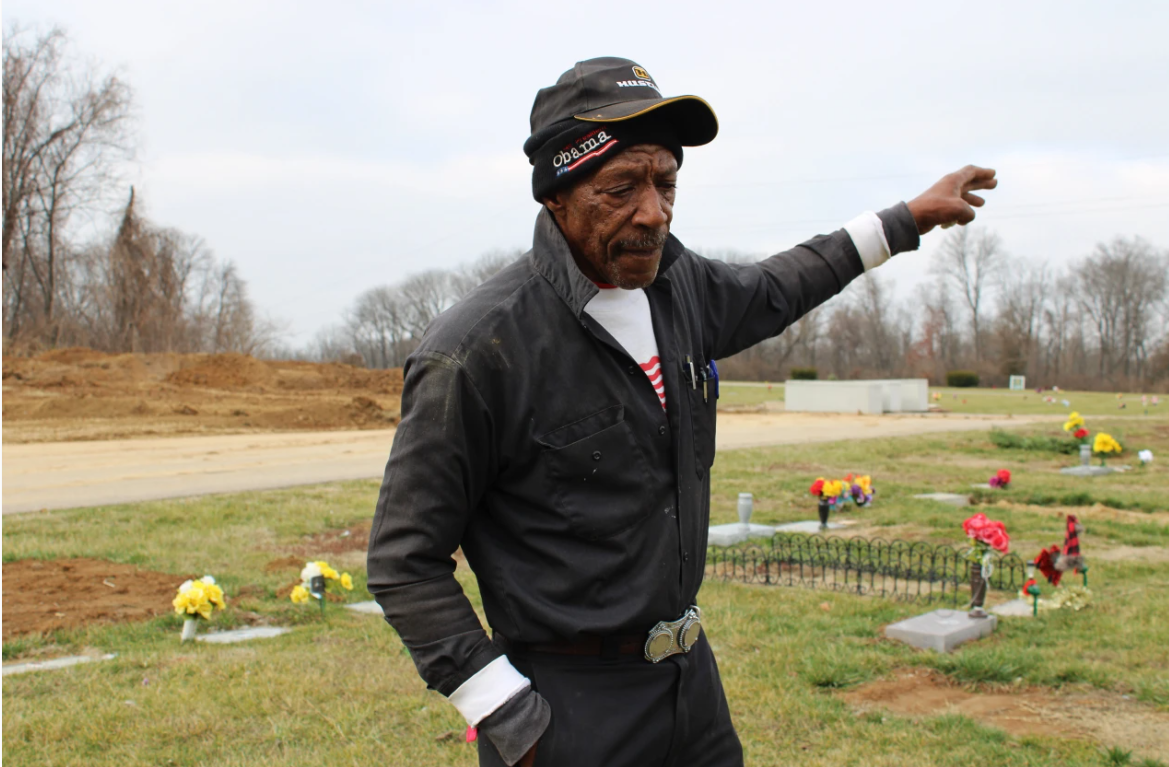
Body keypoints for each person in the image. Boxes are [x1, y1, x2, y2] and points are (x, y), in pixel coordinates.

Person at [367, 56, 996, 767]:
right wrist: (508, 715)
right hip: (568, 710)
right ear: (557, 195)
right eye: (621, 188)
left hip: (691, 688)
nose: (654, 212)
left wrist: (905, 219)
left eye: (665, 183)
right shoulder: (478, 351)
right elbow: (403, 560)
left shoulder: (679, 288)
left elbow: (780, 284)